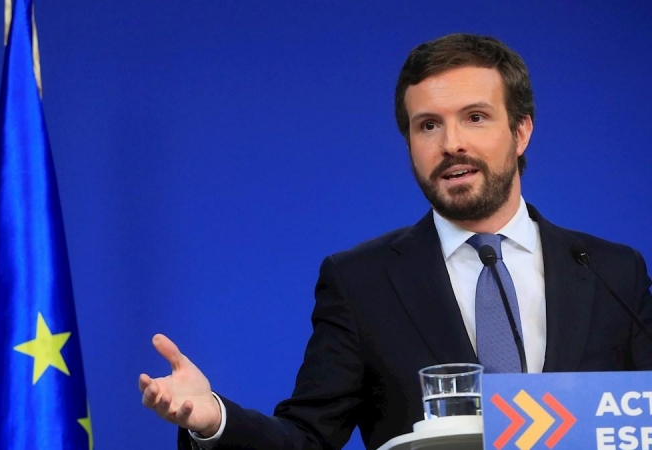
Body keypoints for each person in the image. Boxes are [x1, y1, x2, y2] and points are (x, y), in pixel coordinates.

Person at [139, 33, 652, 449]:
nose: (452, 144)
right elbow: (307, 439)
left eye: (475, 117)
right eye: (428, 125)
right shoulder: (362, 282)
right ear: (409, 142)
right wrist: (215, 420)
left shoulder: (612, 272)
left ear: (521, 132)